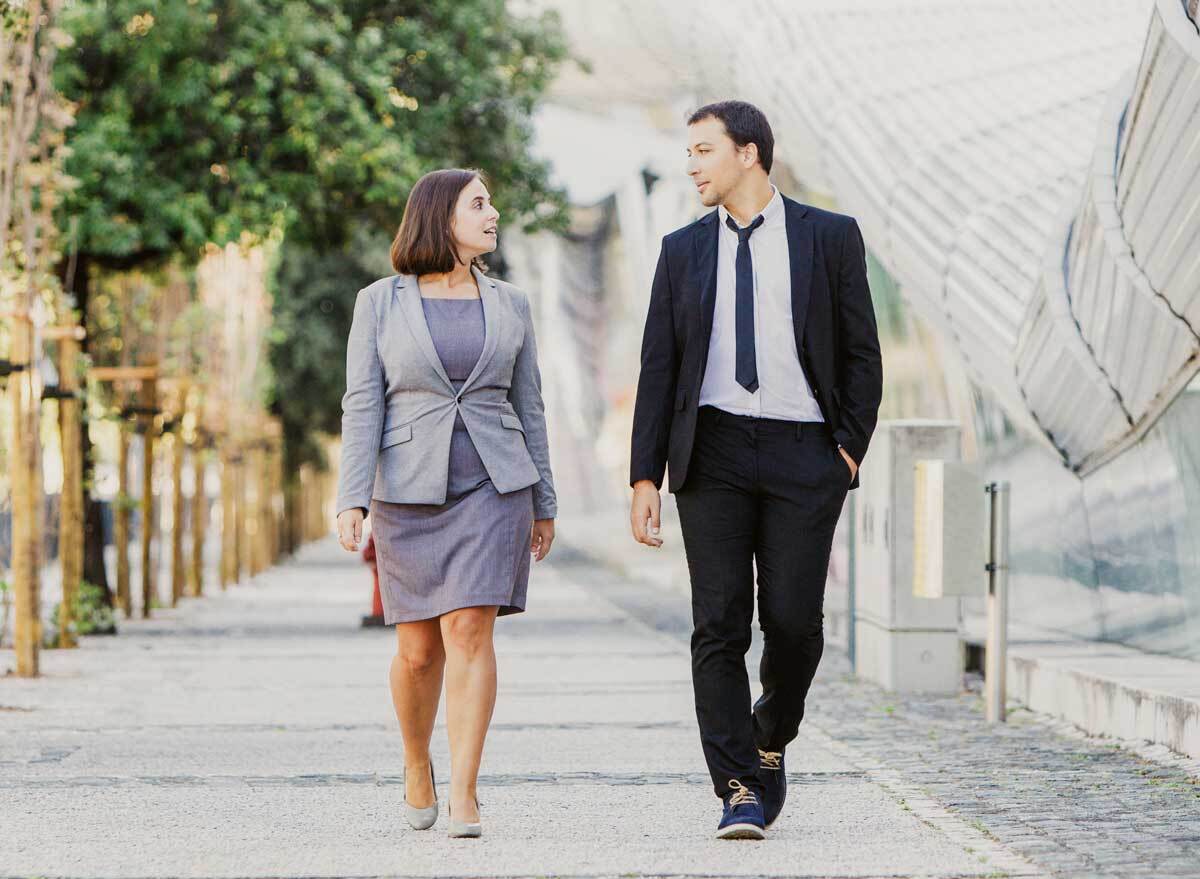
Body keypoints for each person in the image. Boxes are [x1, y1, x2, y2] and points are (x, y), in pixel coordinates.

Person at [628, 101, 883, 839]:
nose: (691, 166)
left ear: (749, 153)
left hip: (806, 451)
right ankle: (738, 784)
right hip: (711, 452)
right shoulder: (681, 250)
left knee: (795, 624)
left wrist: (845, 452)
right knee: (718, 622)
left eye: (703, 150)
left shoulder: (830, 237)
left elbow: (862, 354)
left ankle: (770, 734)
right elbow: (658, 367)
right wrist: (645, 476)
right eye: (688, 152)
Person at [335, 168, 557, 839]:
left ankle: (465, 789)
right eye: (479, 204)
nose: (493, 214)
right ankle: (416, 762)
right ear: (442, 217)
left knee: (469, 630)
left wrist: (543, 499)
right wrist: (351, 497)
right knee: (418, 651)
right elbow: (362, 404)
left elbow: (530, 404)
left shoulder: (511, 303)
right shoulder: (379, 303)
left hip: (494, 486)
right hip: (407, 492)